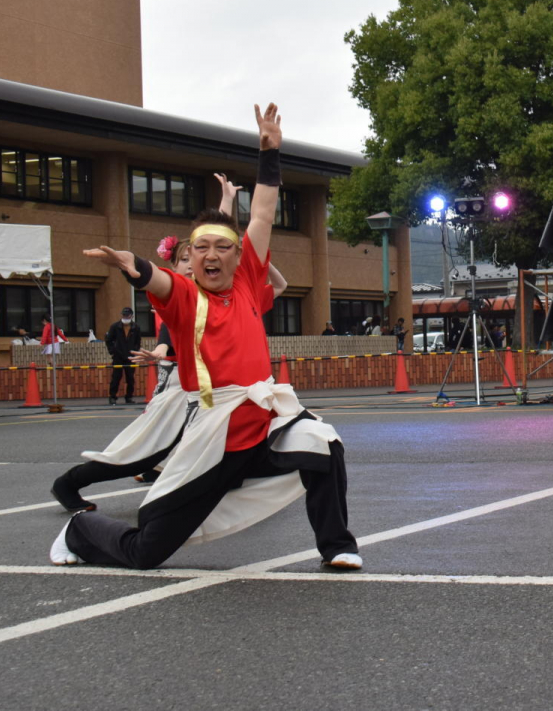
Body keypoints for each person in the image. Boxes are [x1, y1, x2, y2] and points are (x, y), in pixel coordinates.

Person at [50, 103, 361, 571]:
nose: (211, 255)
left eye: (221, 247)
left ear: (238, 256)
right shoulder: (184, 295)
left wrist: (269, 153)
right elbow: (155, 278)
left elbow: (263, 213)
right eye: (201, 248)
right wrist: (133, 265)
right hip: (215, 436)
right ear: (190, 257)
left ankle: (336, 546)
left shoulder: (248, 281)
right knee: (146, 552)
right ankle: (80, 529)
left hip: (264, 422)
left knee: (323, 442)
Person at [105, 307, 142, 404]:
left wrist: (135, 351)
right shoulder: (115, 326)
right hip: (118, 356)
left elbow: (138, 341)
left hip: (130, 356)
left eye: (127, 315)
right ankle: (113, 397)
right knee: (116, 377)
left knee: (130, 378)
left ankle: (129, 397)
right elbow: (108, 340)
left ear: (131, 316)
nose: (125, 317)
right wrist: (113, 351)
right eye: (124, 315)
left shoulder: (136, 327)